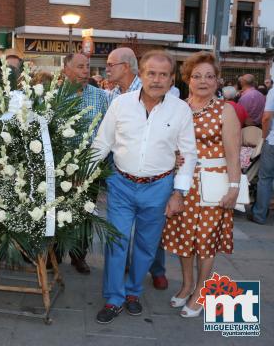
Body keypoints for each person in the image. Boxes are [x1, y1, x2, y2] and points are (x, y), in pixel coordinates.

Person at [92, 50, 197, 324]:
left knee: (146, 246)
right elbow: (102, 143)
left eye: (164, 75)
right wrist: (83, 174)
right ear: (141, 75)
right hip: (121, 185)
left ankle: (133, 293)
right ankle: (114, 298)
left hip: (159, 187)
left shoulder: (181, 110)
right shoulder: (121, 105)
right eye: (151, 73)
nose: (157, 79)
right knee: (117, 242)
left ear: (172, 79)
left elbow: (189, 152)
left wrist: (179, 192)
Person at [163, 51, 241, 317]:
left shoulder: (225, 110)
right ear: (188, 79)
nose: (203, 81)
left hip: (213, 184)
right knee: (184, 239)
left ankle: (201, 291)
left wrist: (234, 187)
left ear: (218, 80)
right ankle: (186, 286)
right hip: (182, 185)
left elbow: (233, 153)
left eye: (210, 76)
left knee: (206, 240)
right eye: (197, 76)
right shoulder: (178, 107)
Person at [107, 47, 168, 289]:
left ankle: (156, 269)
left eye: (111, 64)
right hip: (119, 170)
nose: (107, 68)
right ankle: (120, 276)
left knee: (150, 231)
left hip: (153, 176)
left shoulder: (157, 93)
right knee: (119, 232)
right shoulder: (112, 95)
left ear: (127, 67)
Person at [62, 53, 108, 274]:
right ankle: (54, 251)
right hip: (60, 167)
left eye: (87, 67)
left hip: (90, 167)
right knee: (57, 210)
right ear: (66, 70)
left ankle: (79, 255)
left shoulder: (101, 97)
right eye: (79, 67)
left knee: (84, 213)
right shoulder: (54, 95)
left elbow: (108, 131)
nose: (85, 71)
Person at [249, 84, 274, 225]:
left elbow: (266, 117)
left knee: (265, 178)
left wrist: (264, 137)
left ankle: (259, 214)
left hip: (272, 141)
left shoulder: (273, 92)